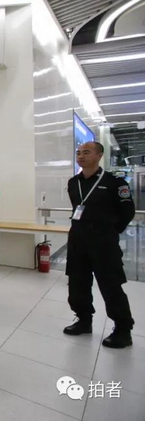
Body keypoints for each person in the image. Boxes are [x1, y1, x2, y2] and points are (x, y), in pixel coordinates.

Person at [64, 142, 135, 349]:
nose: (81, 156)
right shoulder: (73, 182)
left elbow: (127, 211)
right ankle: (83, 319)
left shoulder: (115, 182)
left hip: (103, 243)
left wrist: (111, 231)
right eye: (78, 152)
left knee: (110, 285)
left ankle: (123, 329)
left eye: (86, 152)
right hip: (78, 241)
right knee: (77, 283)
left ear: (99, 155)